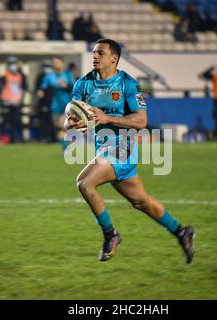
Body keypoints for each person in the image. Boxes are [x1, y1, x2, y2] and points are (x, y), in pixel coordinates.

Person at [64, 38, 195, 263]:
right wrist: (72, 125)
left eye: (100, 53)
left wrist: (107, 118)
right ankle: (181, 232)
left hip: (121, 149)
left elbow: (141, 120)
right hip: (104, 152)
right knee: (141, 202)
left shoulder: (127, 83)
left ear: (114, 58)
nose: (95, 56)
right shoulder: (83, 84)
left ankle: (110, 234)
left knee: (84, 183)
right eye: (94, 53)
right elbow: (69, 120)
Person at [38, 57, 75, 150]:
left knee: (62, 125)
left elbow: (74, 88)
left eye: (58, 62)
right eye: (54, 62)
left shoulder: (68, 74)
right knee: (57, 127)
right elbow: (43, 86)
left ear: (63, 63)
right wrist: (41, 91)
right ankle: (66, 145)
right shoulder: (50, 76)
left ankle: (66, 148)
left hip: (66, 104)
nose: (56, 64)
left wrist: (66, 86)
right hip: (55, 104)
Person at [0, 56, 28, 143]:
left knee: (16, 121)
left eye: (14, 64)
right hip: (6, 102)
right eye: (11, 64)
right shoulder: (4, 76)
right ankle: (4, 139)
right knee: (5, 122)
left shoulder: (21, 76)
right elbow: (0, 89)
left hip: (17, 102)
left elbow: (24, 88)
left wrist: (20, 100)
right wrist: (2, 101)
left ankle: (16, 139)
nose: (13, 66)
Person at [35, 60, 55, 142]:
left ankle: (52, 137)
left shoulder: (54, 76)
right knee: (43, 120)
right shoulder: (41, 76)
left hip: (53, 102)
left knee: (52, 120)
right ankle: (44, 136)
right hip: (44, 102)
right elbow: (39, 90)